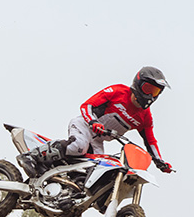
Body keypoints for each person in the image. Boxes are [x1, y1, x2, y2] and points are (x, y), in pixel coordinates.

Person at [18, 66, 173, 177]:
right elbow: (87, 106)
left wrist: (159, 161)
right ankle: (31, 156)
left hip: (98, 141)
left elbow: (150, 141)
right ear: (138, 84)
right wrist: (93, 122)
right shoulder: (118, 91)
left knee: (100, 172)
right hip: (84, 126)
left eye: (156, 92)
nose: (151, 95)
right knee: (78, 146)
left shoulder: (145, 117)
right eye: (148, 89)